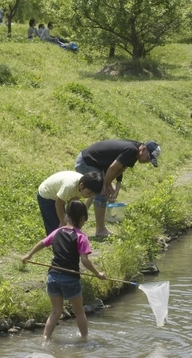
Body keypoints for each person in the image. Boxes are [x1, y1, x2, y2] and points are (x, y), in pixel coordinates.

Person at [22, 199, 106, 340]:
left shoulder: (57, 232)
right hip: (70, 279)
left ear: (67, 215)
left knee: (56, 311)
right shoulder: (81, 237)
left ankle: (45, 339)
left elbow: (43, 242)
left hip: (53, 277)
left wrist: (29, 255)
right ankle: (85, 339)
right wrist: (98, 273)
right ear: (82, 218)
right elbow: (84, 260)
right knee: (79, 312)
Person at [75, 139, 161, 237]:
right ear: (144, 149)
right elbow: (112, 168)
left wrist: (109, 184)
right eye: (148, 157)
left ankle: (81, 218)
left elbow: (120, 169)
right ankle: (100, 230)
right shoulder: (132, 150)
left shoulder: (135, 153)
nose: (148, 161)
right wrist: (106, 184)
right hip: (86, 161)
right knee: (102, 192)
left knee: (102, 190)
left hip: (93, 163)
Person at [36, 169, 104, 235]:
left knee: (63, 222)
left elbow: (72, 201)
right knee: (55, 226)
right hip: (46, 194)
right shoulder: (70, 186)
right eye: (89, 193)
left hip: (57, 196)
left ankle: (63, 239)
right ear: (81, 186)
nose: (90, 196)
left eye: (93, 194)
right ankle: (53, 240)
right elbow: (58, 203)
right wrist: (62, 222)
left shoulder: (84, 185)